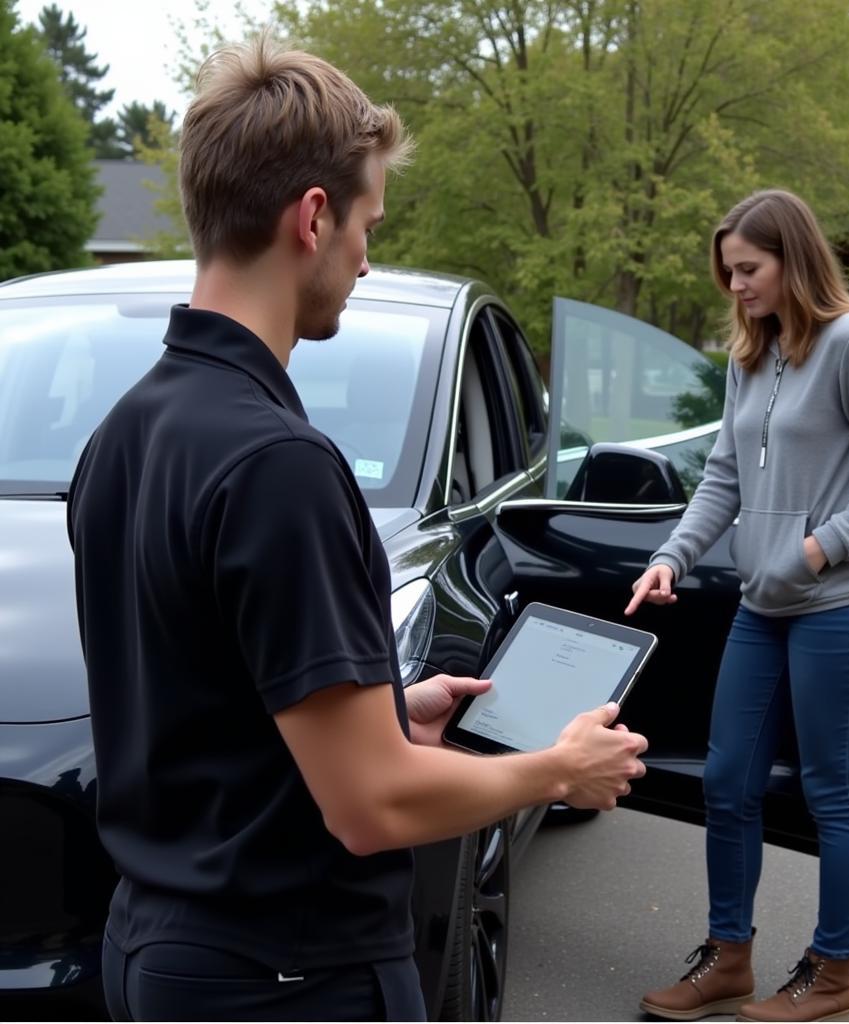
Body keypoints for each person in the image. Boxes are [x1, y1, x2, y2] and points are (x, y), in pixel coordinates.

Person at [67, 36, 648, 1023]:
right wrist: (554, 770)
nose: (365, 258)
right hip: (287, 977)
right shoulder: (280, 466)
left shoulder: (125, 430)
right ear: (312, 217)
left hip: (152, 949)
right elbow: (368, 805)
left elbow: (202, 702)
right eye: (366, 224)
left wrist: (387, 706)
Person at [626, 189, 849, 1023]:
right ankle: (728, 958)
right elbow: (723, 477)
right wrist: (670, 556)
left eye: (749, 270)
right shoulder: (749, 357)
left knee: (835, 790)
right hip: (764, 606)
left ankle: (832, 976)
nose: (736, 287)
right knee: (727, 781)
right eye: (728, 272)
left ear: (793, 263)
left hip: (846, 603)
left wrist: (816, 547)